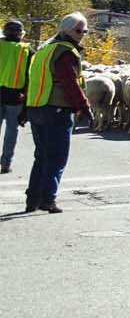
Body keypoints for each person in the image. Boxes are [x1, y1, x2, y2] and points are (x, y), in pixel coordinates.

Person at [20, 13, 91, 214]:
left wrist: (26, 107)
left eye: (84, 31)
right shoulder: (65, 52)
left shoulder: (44, 49)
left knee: (41, 155)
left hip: (37, 108)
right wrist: (83, 105)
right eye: (79, 31)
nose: (82, 35)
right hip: (57, 109)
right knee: (57, 156)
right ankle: (48, 198)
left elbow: (32, 79)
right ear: (66, 30)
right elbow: (68, 82)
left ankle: (32, 199)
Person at [0, 19, 28, 174]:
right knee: (12, 130)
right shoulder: (27, 50)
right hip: (16, 97)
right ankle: (6, 163)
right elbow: (31, 77)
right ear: (21, 34)